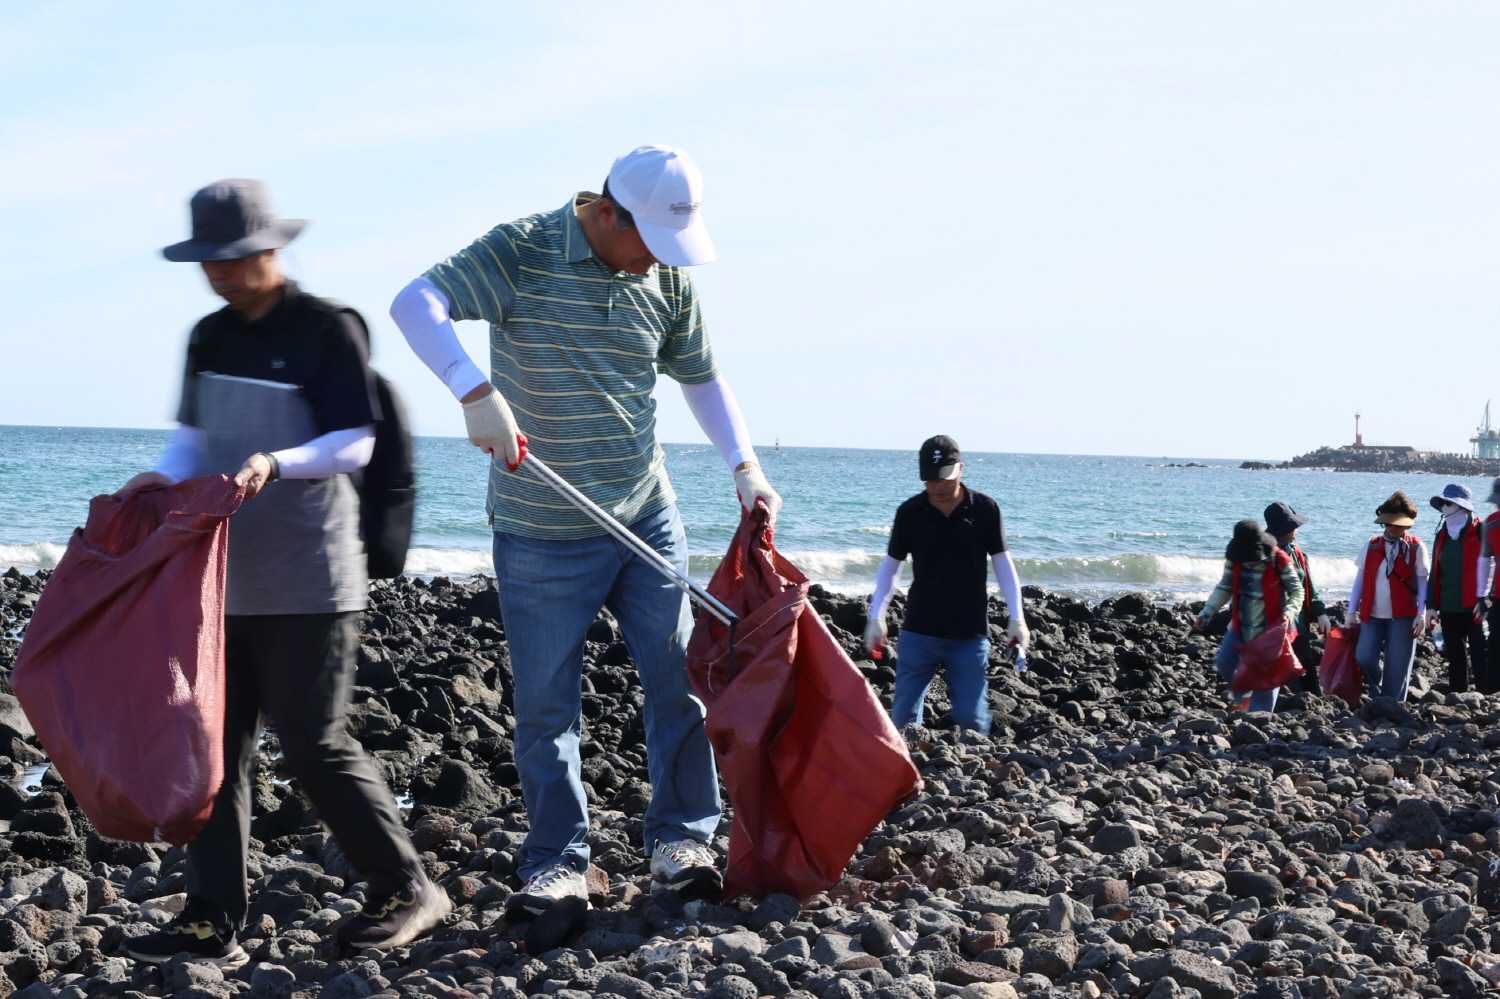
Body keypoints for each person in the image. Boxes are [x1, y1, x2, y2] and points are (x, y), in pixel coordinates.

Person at [389, 145, 780, 915]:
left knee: (679, 683)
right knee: (546, 707)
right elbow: (414, 302)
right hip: (540, 529)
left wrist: (744, 464)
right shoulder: (524, 248)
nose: (658, 264)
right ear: (607, 213)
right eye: (650, 245)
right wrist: (472, 390)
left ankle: (682, 840)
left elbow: (699, 375)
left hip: (645, 513)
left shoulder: (664, 273)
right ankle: (558, 864)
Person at [117, 181, 441, 966]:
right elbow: (192, 444)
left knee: (313, 743)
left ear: (270, 249)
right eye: (207, 262)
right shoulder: (207, 337)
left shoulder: (325, 328)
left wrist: (275, 462)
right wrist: (150, 484)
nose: (219, 274)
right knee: (214, 750)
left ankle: (406, 887)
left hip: (312, 577)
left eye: (232, 259)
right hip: (222, 577)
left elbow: (355, 443)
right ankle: (211, 917)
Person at [862, 435, 1028, 734]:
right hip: (918, 633)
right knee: (902, 722)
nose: (938, 486)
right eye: (930, 480)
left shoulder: (985, 509)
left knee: (972, 721)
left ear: (960, 469)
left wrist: (1017, 618)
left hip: (969, 635)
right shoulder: (910, 512)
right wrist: (877, 616)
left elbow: (1003, 563)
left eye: (945, 479)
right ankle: (911, 777)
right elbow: (891, 566)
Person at [1194, 519, 1305, 713]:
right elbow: (1225, 586)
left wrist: (1289, 613)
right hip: (1241, 625)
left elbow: (1297, 591)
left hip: (1271, 630)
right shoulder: (1235, 558)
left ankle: (1261, 725)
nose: (1250, 560)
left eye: (1253, 556)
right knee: (1224, 662)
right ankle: (1246, 696)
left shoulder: (1279, 559)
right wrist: (1207, 611)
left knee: (1266, 684)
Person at [1346, 491, 1430, 702]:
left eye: (1399, 524)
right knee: (1363, 657)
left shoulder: (1416, 547)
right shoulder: (1372, 545)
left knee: (1398, 667)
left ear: (1408, 524)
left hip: (1403, 616)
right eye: (1390, 524)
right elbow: (1360, 580)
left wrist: (1422, 613)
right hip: (1371, 616)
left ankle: (1392, 708)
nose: (1393, 528)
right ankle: (1380, 693)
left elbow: (1423, 582)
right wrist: (1350, 611)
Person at [1426, 484, 1488, 693]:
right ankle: (1458, 698)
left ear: (1462, 506)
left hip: (1476, 606)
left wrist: (1487, 600)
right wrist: (1431, 606)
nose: (1444, 507)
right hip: (1449, 605)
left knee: (1481, 655)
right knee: (1455, 657)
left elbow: (1494, 566)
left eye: (1448, 502)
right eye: (1442, 502)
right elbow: (1435, 571)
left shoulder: (1481, 530)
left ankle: (1485, 698)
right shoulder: (1442, 534)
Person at [1263, 502, 1330, 691]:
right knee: (1284, 671)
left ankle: (1312, 704)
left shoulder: (1298, 553)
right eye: (1293, 526)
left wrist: (1320, 613)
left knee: (1306, 666)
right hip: (1275, 624)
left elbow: (1309, 586)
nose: (1297, 529)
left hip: (1298, 621)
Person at [1476, 478, 1500, 694]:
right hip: (1499, 597)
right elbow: (1485, 560)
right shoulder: (1491, 523)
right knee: (1494, 649)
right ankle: (1492, 698)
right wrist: (1481, 596)